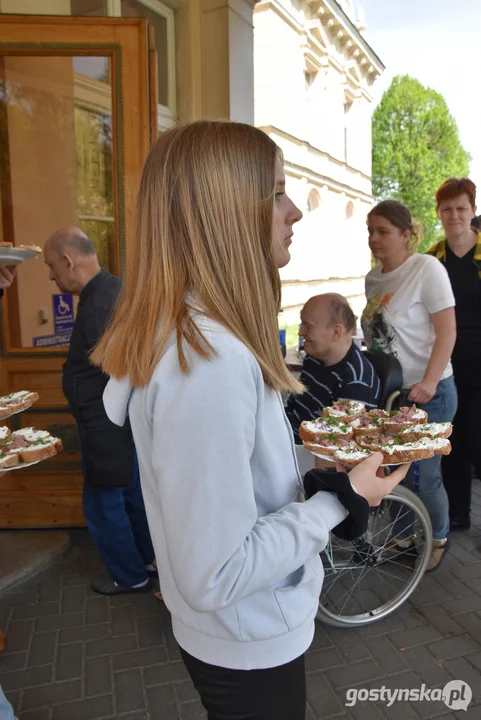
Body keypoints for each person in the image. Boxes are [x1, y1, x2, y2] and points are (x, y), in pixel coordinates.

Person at [92, 121, 408, 720]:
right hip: (248, 634)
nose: (294, 212)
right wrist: (344, 499)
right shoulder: (206, 361)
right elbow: (217, 571)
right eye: (277, 193)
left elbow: (236, 480)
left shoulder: (199, 339)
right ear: (227, 211)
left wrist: (318, 464)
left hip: (237, 630)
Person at [44, 228, 156, 595]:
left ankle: (128, 575)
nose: (50, 275)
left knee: (103, 504)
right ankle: (148, 560)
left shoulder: (101, 304)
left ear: (68, 260)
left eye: (50, 266)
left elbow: (123, 370)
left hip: (106, 426)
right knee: (129, 494)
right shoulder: (108, 290)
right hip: (115, 424)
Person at [361, 200, 457, 572]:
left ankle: (439, 537)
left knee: (423, 475)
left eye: (382, 231)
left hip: (428, 393)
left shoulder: (426, 269)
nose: (373, 238)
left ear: (406, 234)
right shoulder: (374, 278)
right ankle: (404, 539)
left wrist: (430, 382)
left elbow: (447, 331)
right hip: (391, 395)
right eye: (370, 231)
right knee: (391, 470)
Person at [427, 178, 480, 530]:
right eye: (447, 209)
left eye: (461, 208)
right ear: (439, 214)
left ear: (473, 211)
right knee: (454, 442)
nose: (454, 215)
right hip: (447, 366)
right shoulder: (432, 260)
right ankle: (458, 516)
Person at [286, 293, 381, 442]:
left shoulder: (356, 381)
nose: (300, 332)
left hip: (313, 454)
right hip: (290, 441)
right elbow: (293, 407)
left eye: (308, 326)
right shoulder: (315, 358)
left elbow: (338, 443)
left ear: (336, 332)